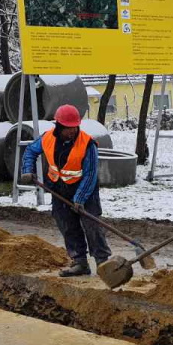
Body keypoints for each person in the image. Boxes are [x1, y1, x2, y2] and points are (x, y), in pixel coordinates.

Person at [20, 104, 112, 277]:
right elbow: (31, 151)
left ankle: (103, 262)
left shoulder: (87, 144)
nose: (72, 131)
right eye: (68, 128)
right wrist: (27, 170)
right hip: (59, 189)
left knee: (92, 225)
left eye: (75, 127)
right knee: (68, 226)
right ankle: (80, 262)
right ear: (59, 126)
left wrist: (80, 198)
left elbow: (90, 174)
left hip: (86, 190)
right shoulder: (47, 138)